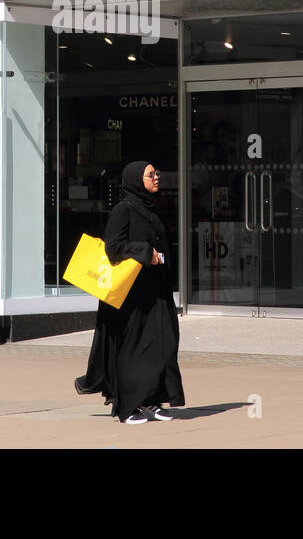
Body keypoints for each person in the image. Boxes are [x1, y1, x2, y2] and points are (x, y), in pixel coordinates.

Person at [75, 161, 185, 424]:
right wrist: (147, 254)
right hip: (131, 295)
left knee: (164, 343)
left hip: (155, 291)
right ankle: (128, 407)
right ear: (137, 179)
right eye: (151, 174)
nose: (157, 177)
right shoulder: (123, 210)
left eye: (157, 173)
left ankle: (151, 399)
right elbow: (113, 248)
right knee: (133, 349)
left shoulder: (149, 209)